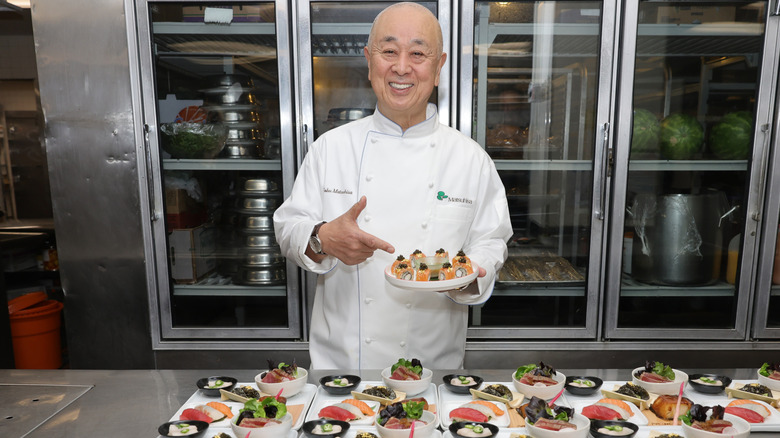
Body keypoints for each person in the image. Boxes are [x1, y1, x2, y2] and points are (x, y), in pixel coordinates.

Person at [273, 2, 512, 370]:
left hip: (434, 372)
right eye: (388, 52)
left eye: (418, 53)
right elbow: (289, 227)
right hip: (343, 369)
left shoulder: (471, 159)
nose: (402, 67)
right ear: (369, 61)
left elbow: (491, 240)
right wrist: (321, 237)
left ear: (438, 67)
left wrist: (470, 273)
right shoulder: (330, 149)